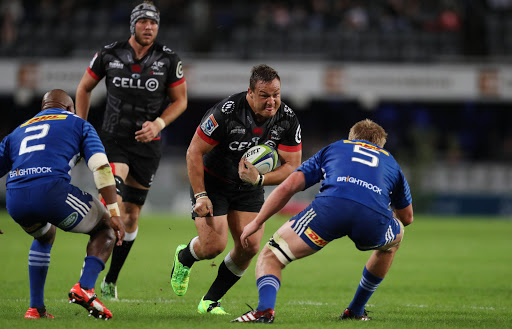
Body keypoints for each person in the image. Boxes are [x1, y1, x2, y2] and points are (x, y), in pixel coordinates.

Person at [231, 119, 414, 323]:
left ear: (351, 138)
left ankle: (264, 312)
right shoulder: (392, 163)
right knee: (395, 237)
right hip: (372, 219)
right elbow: (407, 217)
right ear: (380, 145)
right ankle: (355, 310)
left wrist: (256, 222)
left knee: (271, 256)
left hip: (330, 210)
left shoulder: (335, 148)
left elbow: (289, 187)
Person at [75, 1, 187, 300]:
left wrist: (159, 123)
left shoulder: (167, 59)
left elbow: (181, 101)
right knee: (115, 200)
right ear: (133, 25)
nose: (149, 27)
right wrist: (80, 127)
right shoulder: (109, 54)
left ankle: (110, 279)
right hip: (114, 139)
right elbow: (84, 88)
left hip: (147, 146)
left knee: (131, 217)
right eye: (144, 22)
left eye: (154, 23)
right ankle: (87, 277)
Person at [171, 64, 302, 314]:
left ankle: (210, 301)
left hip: (249, 187)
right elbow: (194, 151)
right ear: (250, 93)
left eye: (276, 94)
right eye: (264, 95)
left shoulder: (287, 118)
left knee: (250, 246)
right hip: (213, 183)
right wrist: (201, 194)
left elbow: (293, 166)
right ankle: (184, 257)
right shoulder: (226, 112)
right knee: (213, 247)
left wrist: (260, 180)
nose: (272, 101)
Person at [0, 89, 125, 320]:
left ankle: (35, 308)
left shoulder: (18, 130)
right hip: (51, 192)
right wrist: (114, 211)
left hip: (15, 198)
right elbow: (101, 167)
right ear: (70, 108)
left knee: (44, 235)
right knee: (106, 227)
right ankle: (85, 288)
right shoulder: (79, 123)